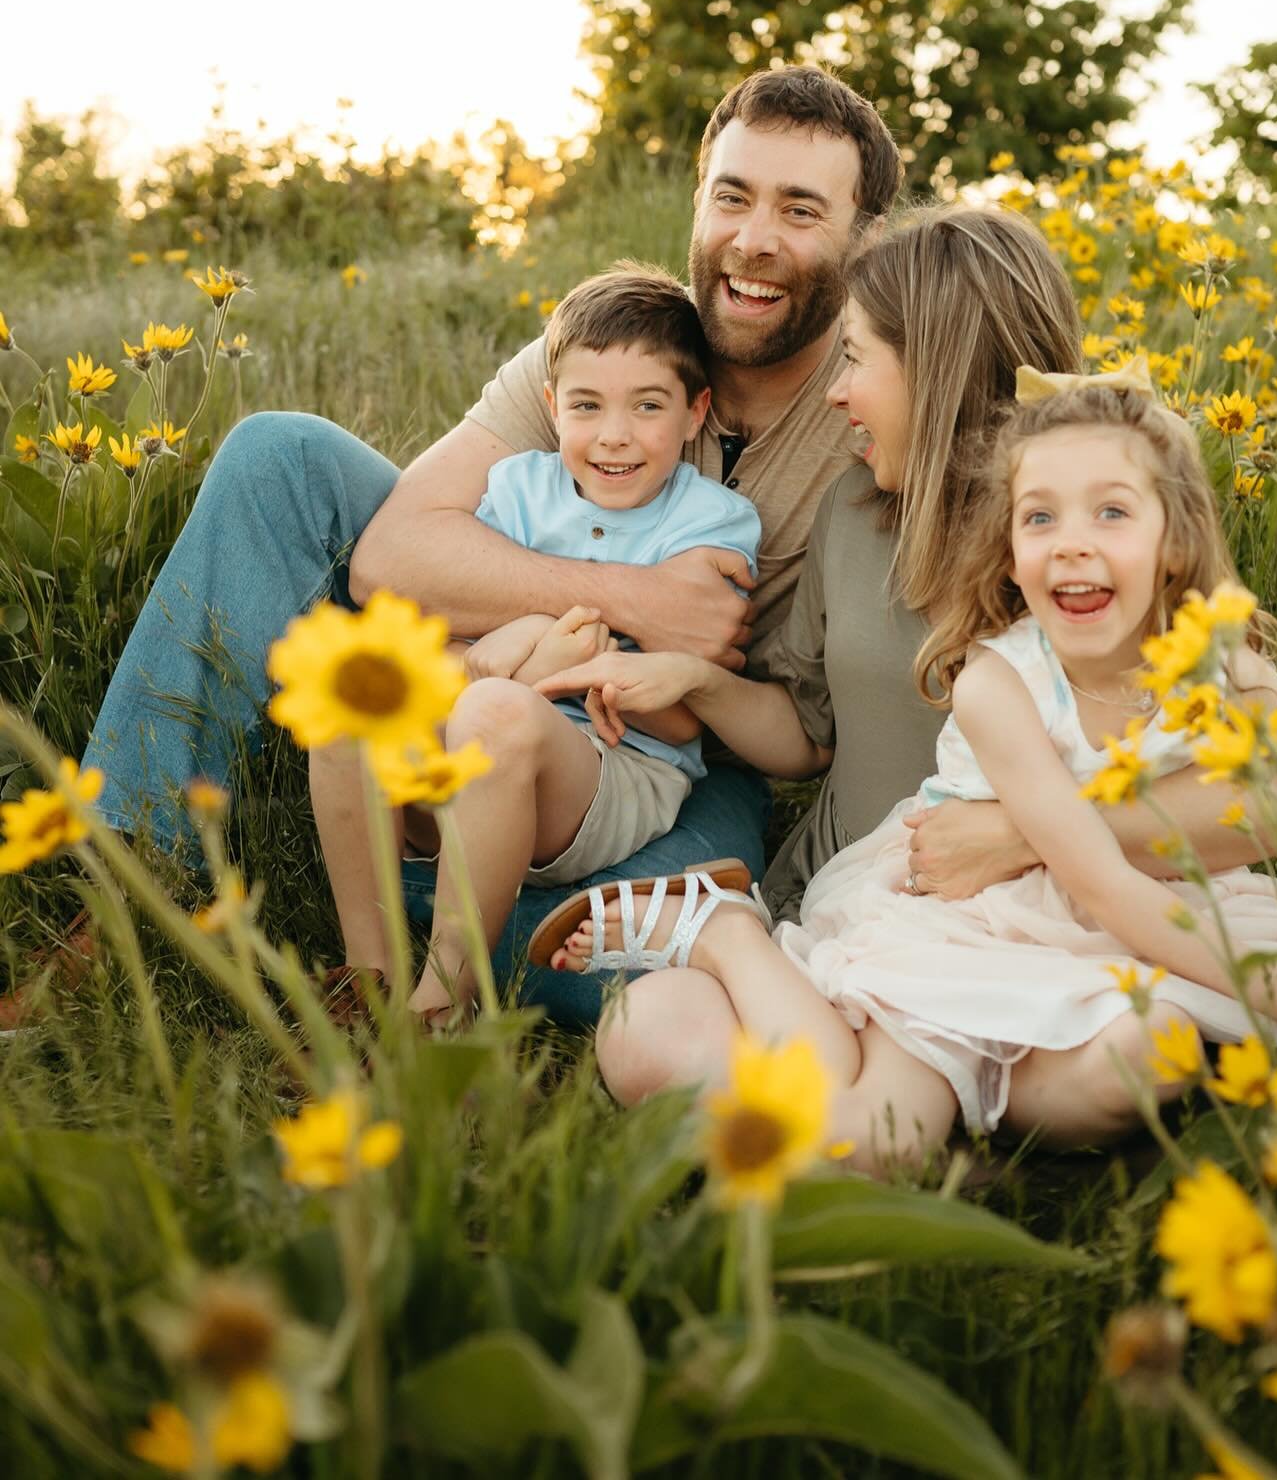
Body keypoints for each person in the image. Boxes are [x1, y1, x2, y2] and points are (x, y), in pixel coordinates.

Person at [68, 65, 904, 1029]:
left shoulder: (873, 391)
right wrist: (631, 599)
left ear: (863, 238)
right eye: (732, 196)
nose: (753, 241)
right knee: (279, 454)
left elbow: (818, 717)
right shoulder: (615, 341)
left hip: (680, 755)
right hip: (495, 679)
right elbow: (396, 556)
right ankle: (129, 884)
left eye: (800, 210)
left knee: (660, 961)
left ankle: (422, 903)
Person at [538, 375, 1277, 1167]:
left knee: (1149, 1062)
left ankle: (972, 1142)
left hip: (1131, 927)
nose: (1072, 541)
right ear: (1008, 556)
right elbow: (1102, 881)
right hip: (968, 916)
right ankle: (727, 933)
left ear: (1175, 538)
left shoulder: (1226, 670)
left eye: (1111, 512)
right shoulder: (999, 687)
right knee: (873, 1141)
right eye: (1040, 519)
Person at [307, 265, 762, 1021]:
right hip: (476, 738)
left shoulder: (711, 525)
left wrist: (545, 657)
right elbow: (451, 639)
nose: (614, 434)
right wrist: (523, 639)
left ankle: (445, 1005)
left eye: (647, 406)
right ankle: (369, 973)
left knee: (497, 713)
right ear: (552, 408)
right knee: (352, 700)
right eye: (587, 405)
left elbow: (682, 719)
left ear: (695, 413)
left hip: (619, 771)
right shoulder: (516, 489)